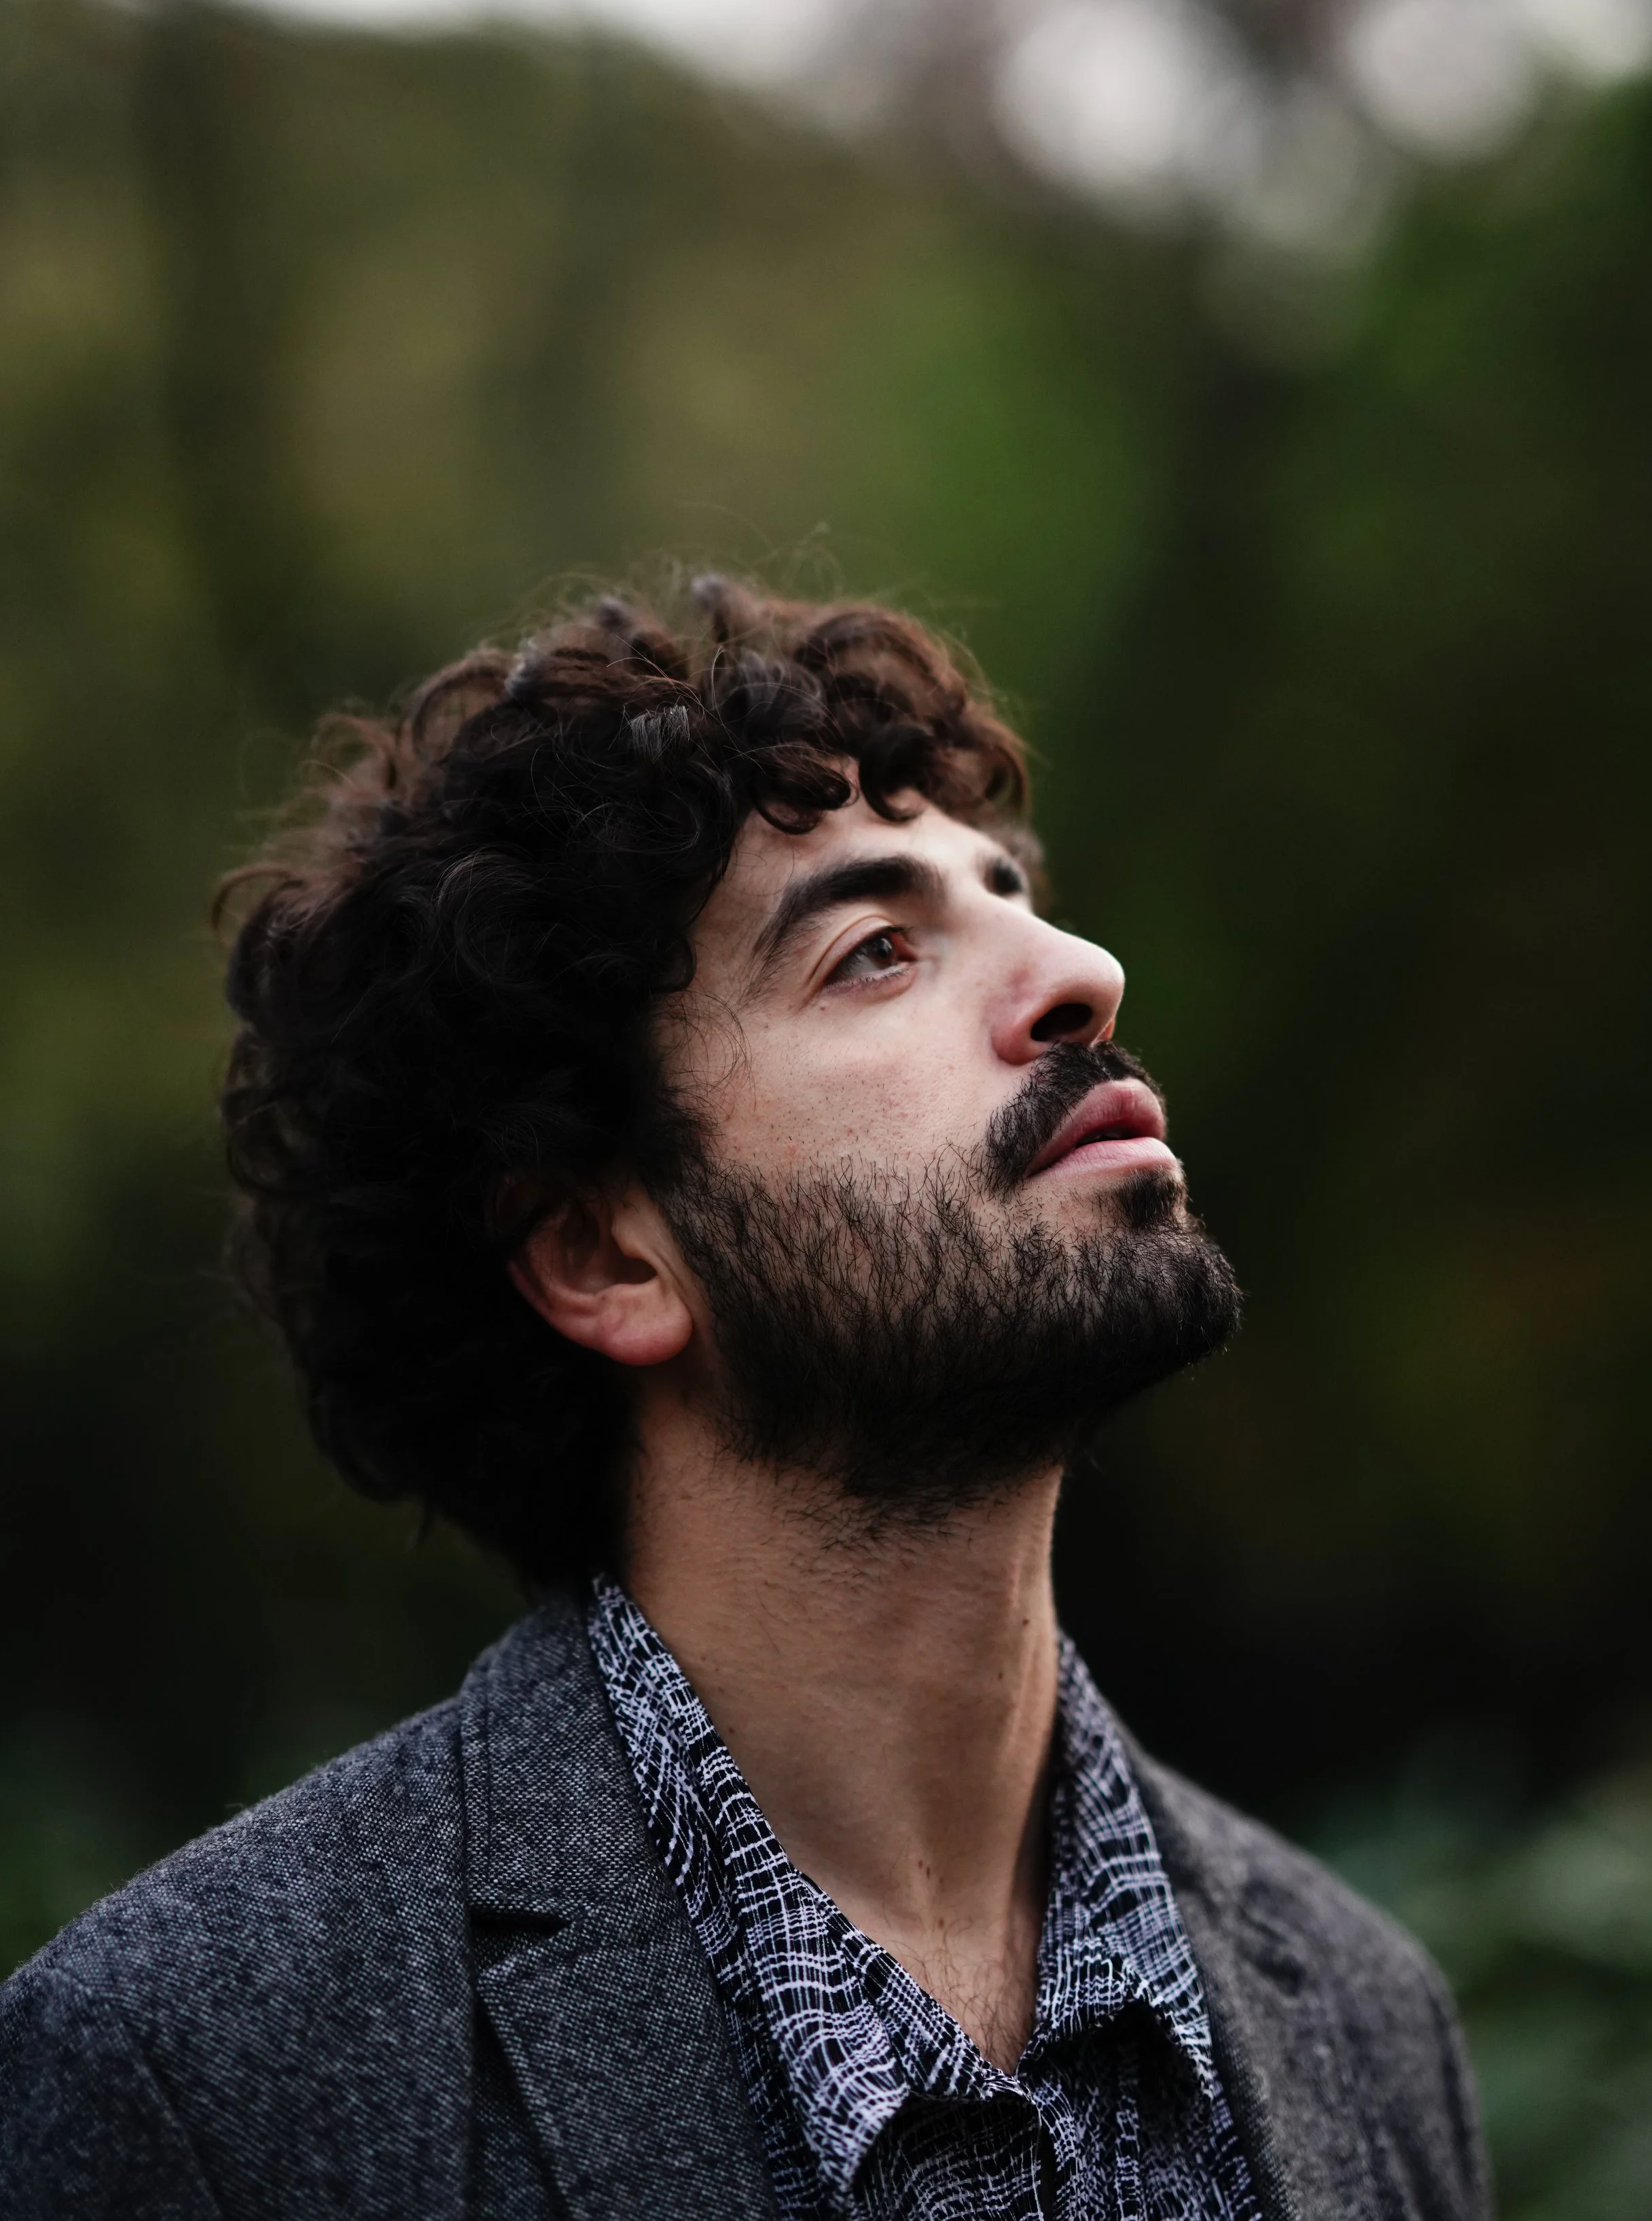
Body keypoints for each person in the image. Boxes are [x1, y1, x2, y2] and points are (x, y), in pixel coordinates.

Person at [0, 580, 1488, 2220]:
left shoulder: (1368, 2024)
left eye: (1010, 895)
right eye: (874, 952)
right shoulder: (200, 2076)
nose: (1081, 971)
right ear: (603, 1254)